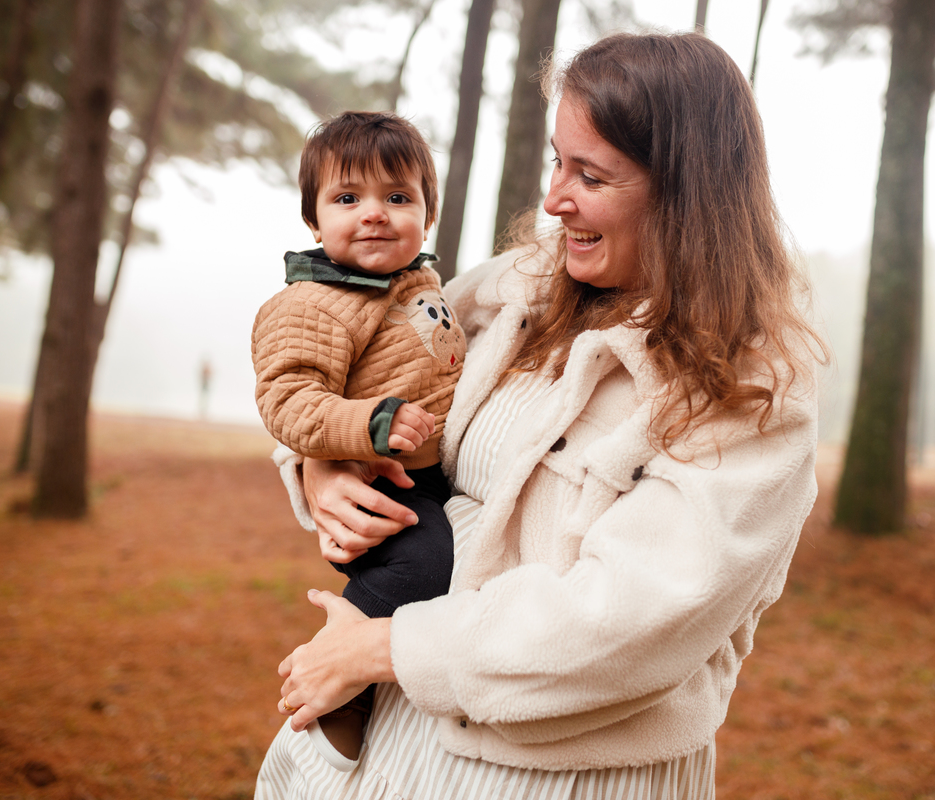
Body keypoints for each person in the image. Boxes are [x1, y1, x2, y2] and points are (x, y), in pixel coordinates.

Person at [256, 31, 824, 798]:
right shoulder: (513, 287)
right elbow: (357, 366)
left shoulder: (749, 390)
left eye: (590, 175)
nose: (555, 199)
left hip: (555, 775)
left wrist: (381, 650)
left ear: (685, 192)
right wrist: (320, 467)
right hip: (375, 744)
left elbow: (632, 619)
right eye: (558, 161)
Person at [251, 111, 465, 771]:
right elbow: (287, 398)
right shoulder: (312, 304)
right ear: (314, 221)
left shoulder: (416, 282)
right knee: (424, 564)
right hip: (383, 485)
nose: (374, 213)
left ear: (427, 215)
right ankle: (342, 679)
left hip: (430, 474)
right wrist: (369, 425)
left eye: (397, 197)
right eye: (348, 198)